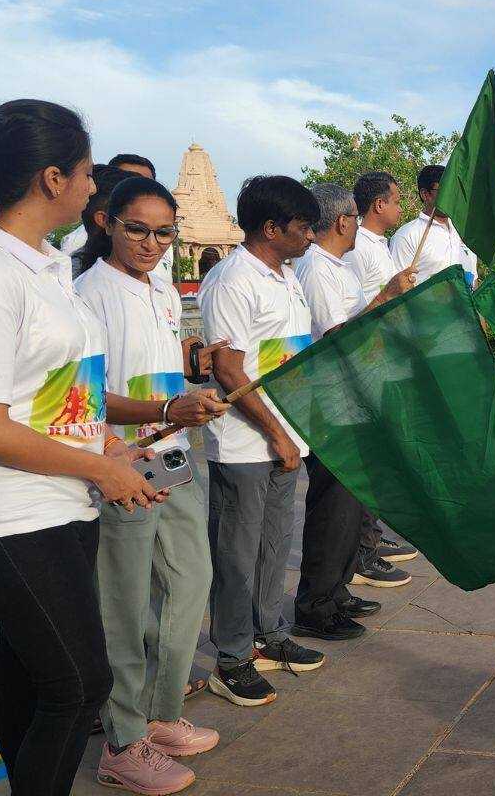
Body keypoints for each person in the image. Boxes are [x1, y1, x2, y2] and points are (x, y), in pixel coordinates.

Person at [0, 99, 161, 795]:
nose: (90, 188)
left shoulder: (44, 266)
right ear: (51, 178)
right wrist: (98, 467)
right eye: (84, 175)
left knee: (32, 676)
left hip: (57, 501)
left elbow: (53, 389)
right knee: (80, 684)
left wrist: (105, 444)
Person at [74, 176, 231, 794]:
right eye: (136, 228)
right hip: (120, 460)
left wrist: (190, 377)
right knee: (126, 603)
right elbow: (83, 399)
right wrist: (168, 413)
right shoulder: (86, 294)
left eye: (163, 232)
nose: (149, 243)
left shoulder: (162, 290)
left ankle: (160, 714)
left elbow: (154, 375)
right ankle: (122, 738)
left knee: (192, 581)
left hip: (172, 455)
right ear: (105, 222)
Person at [199, 175, 326, 708]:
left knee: (274, 545)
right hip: (247, 444)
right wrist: (275, 433)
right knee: (236, 553)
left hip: (285, 437)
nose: (310, 237)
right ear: (270, 228)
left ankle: (268, 633)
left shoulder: (285, 275)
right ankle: (231, 656)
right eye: (302, 227)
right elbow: (228, 370)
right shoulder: (233, 280)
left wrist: (293, 432)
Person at [292, 182, 420, 622]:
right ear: (344, 220)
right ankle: (317, 602)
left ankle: (339, 589)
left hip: (357, 394)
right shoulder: (315, 268)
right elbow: (334, 338)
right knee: (331, 506)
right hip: (330, 400)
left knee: (350, 503)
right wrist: (385, 297)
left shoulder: (340, 266)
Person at [391, 164, 478, 287]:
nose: (451, 197)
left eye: (454, 190)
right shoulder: (407, 236)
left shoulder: (463, 232)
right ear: (425, 194)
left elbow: (474, 280)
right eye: (445, 190)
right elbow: (397, 290)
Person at [344, 172, 404, 307]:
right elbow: (349, 310)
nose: (400, 210)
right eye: (397, 203)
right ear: (380, 205)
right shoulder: (357, 247)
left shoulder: (380, 243)